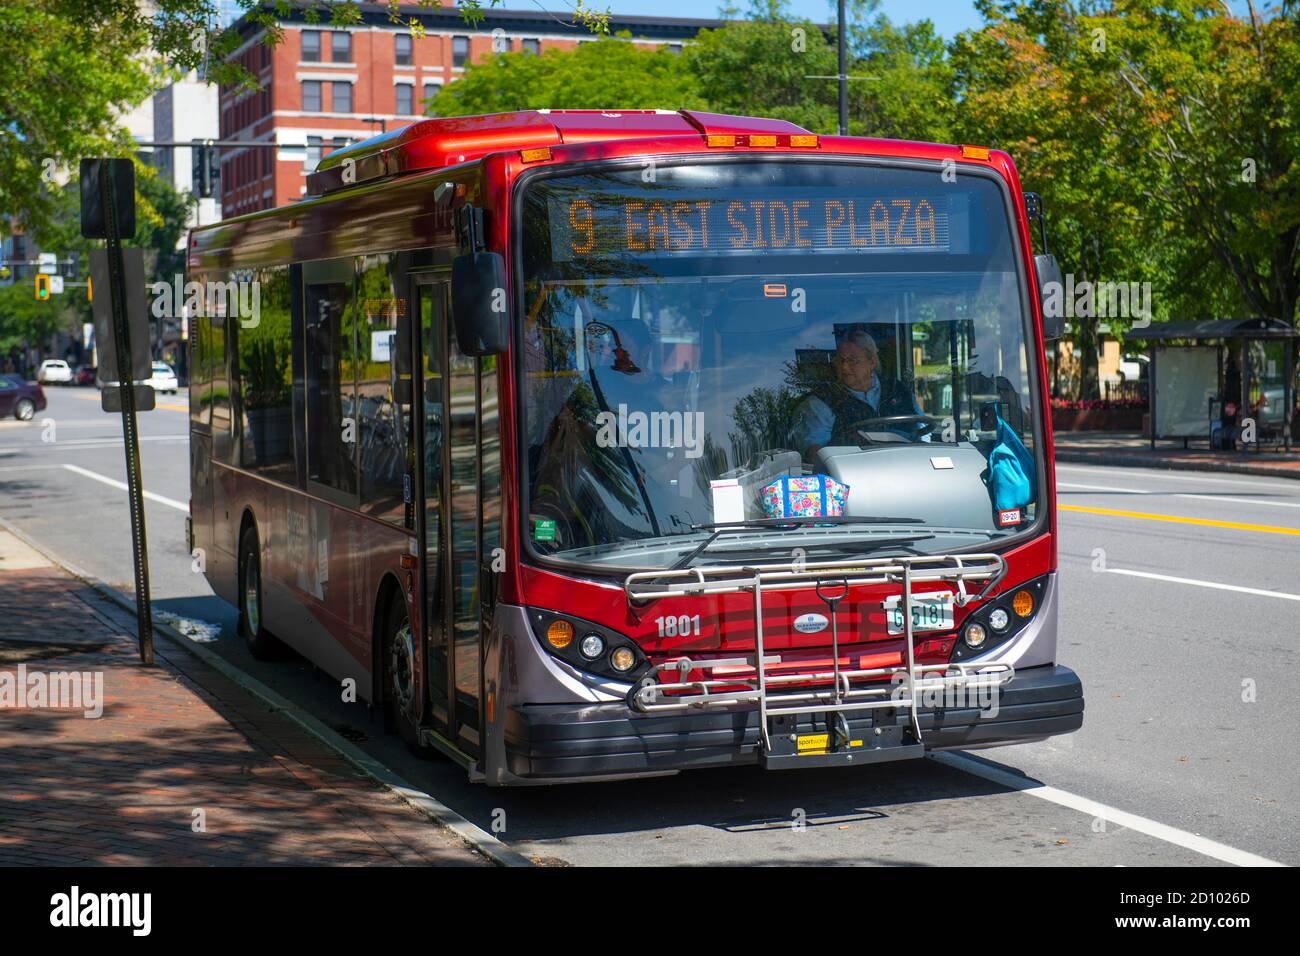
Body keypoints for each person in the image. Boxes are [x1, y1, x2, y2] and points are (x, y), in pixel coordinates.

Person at [793, 329, 921, 459]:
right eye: (840, 360)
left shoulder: (898, 390)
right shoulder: (820, 402)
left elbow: (923, 428)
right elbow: (815, 454)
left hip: (907, 464)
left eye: (852, 360)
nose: (844, 367)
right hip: (852, 473)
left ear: (872, 362)